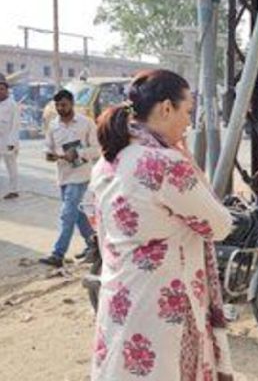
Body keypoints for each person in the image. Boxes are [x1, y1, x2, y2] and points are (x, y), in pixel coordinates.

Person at [90, 69, 234, 380]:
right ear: (166, 108)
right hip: (162, 306)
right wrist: (187, 160)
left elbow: (102, 232)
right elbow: (220, 225)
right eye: (187, 112)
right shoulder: (166, 163)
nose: (188, 123)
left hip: (119, 297)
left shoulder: (106, 162)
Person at [39, 89, 100, 268]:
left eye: (63, 104)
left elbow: (97, 149)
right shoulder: (53, 125)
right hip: (63, 176)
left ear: (72, 104)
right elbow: (47, 147)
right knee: (78, 214)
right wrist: (49, 155)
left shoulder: (86, 123)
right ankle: (93, 245)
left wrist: (79, 153)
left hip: (81, 176)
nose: (60, 108)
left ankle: (58, 254)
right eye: (57, 105)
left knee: (67, 214)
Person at [0, 73, 20, 200]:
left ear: (7, 90)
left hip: (8, 141)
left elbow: (15, 126)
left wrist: (12, 143)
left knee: (11, 166)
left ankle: (14, 190)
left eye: (2, 89)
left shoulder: (12, 104)